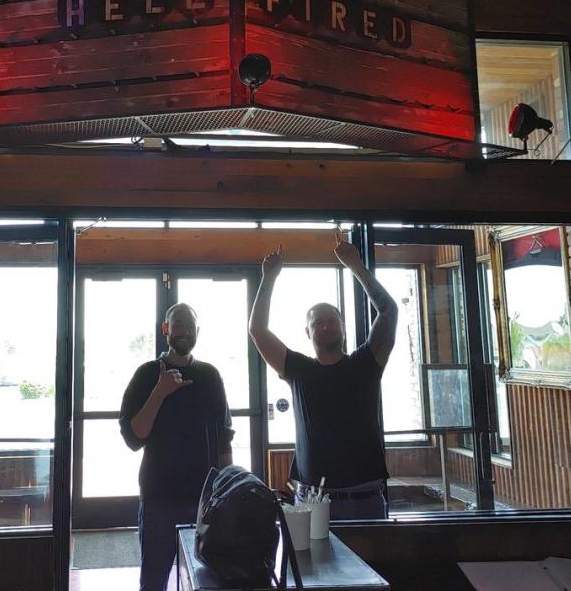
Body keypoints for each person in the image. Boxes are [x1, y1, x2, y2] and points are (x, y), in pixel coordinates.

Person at [249, 235, 398, 520]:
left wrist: (355, 265)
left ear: (342, 327)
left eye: (331, 320)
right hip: (312, 502)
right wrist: (269, 278)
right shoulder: (298, 369)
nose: (325, 326)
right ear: (308, 332)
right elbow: (257, 329)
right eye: (317, 323)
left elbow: (389, 311)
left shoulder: (366, 362)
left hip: (364, 500)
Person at [119, 303, 234, 591]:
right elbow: (134, 437)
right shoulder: (146, 374)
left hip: (203, 500)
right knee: (154, 580)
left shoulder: (210, 376)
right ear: (165, 329)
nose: (183, 330)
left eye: (189, 325)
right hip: (159, 499)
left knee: (206, 580)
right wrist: (160, 391)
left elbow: (223, 438)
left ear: (198, 331)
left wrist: (228, 491)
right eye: (177, 324)